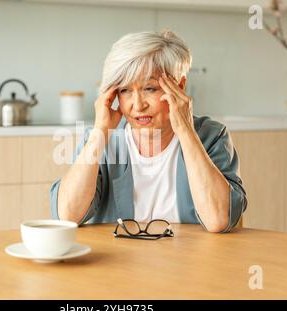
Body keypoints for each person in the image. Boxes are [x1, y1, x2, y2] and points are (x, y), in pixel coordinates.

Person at [50, 29, 247, 233]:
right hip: (117, 262)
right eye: (125, 90)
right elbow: (67, 215)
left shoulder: (212, 136)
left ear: (179, 86)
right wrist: (100, 132)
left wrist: (186, 131)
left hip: (190, 261)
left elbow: (219, 220)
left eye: (149, 89)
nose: (137, 105)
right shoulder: (103, 140)